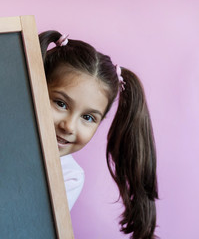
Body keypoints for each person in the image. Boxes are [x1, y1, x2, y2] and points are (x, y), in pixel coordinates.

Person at [39, 31, 158, 239]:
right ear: (36, 87)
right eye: (60, 103)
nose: (68, 126)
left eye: (88, 117)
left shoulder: (68, 177)